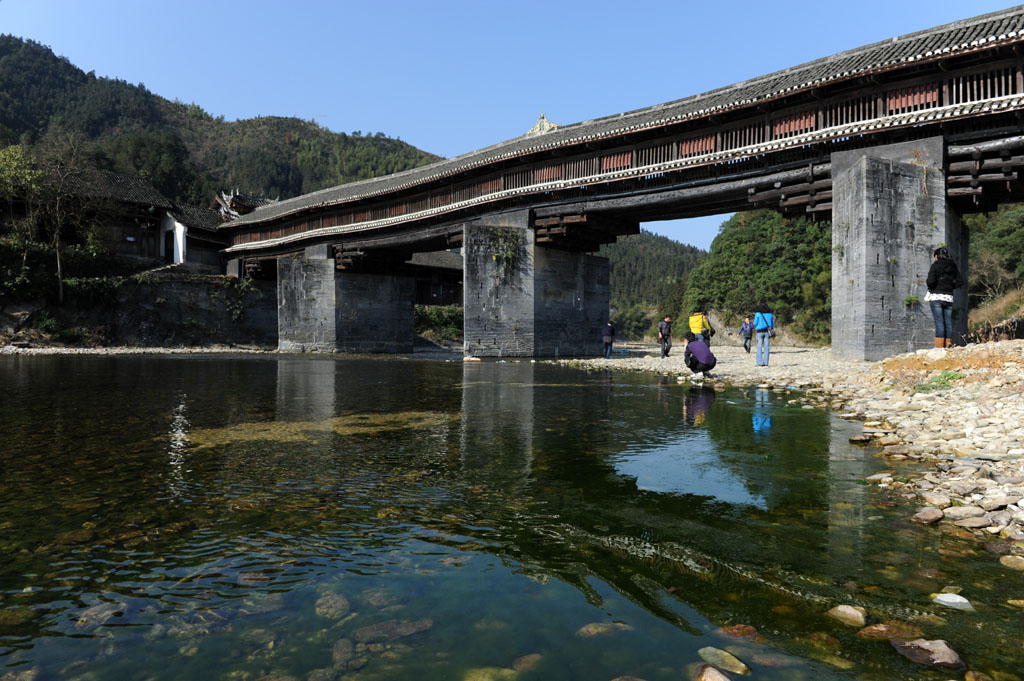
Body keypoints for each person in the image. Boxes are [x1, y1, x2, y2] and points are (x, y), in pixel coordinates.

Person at [926, 246, 964, 348]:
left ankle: (939, 347)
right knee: (948, 322)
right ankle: (947, 346)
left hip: (936, 297)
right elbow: (960, 282)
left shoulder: (935, 265)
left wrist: (933, 287)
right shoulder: (953, 266)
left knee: (939, 322)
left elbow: (930, 281)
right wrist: (950, 287)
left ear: (937, 256)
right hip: (948, 297)